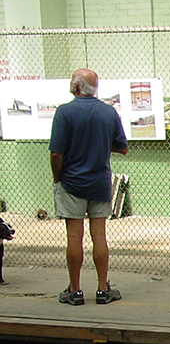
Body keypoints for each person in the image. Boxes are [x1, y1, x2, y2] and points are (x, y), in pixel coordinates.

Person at [49, 68, 128, 306]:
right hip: (100, 183)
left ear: (75, 87)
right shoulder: (108, 112)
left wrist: (57, 176)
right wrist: (99, 144)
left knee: (74, 236)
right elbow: (122, 147)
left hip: (72, 182)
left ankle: (75, 290)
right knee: (99, 236)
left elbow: (56, 153)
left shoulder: (64, 113)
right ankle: (103, 289)